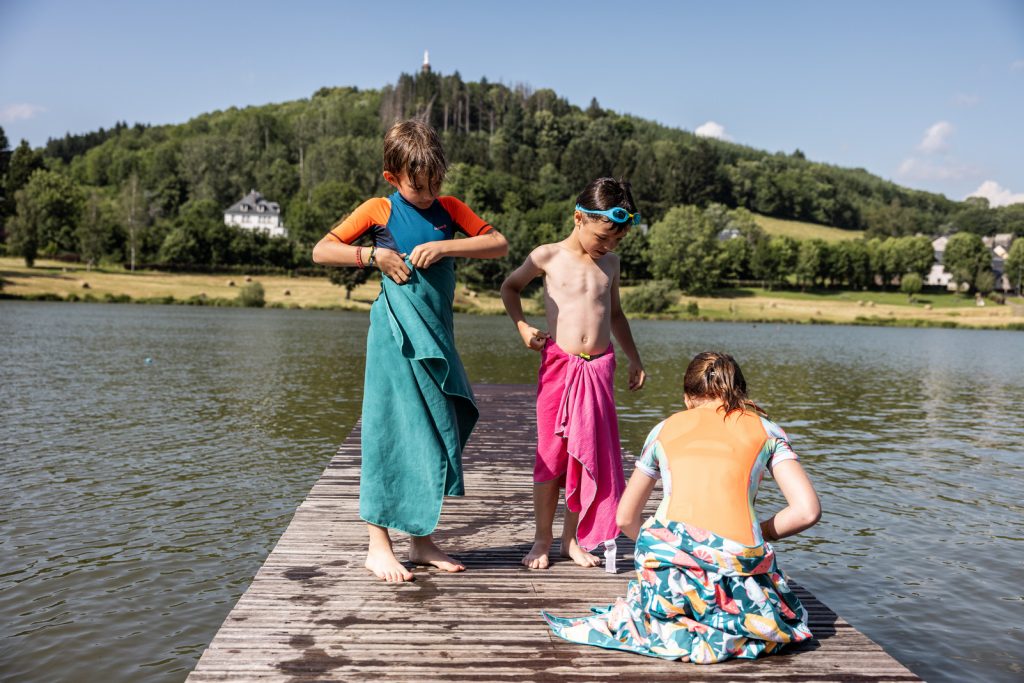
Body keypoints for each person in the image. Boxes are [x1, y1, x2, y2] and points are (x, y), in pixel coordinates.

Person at [312, 119, 508, 583]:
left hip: (437, 334)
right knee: (387, 431)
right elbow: (323, 250)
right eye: (417, 185)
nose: (427, 192)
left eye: (434, 182)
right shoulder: (378, 209)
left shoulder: (450, 209)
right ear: (392, 178)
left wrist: (445, 246)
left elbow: (498, 244)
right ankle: (377, 545)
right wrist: (372, 256)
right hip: (393, 336)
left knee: (440, 427)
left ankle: (420, 539)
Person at [543, 351, 821, 663]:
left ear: (687, 398)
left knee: (657, 534)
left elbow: (625, 518)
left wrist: (671, 552)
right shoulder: (768, 431)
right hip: (737, 585)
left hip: (669, 587)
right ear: (740, 393)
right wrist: (763, 531)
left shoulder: (664, 429)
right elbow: (806, 511)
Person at [500, 177, 646, 571]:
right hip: (560, 368)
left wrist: (634, 357)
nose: (608, 246)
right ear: (579, 218)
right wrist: (522, 327)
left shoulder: (611, 264)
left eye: (615, 241)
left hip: (598, 371)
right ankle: (542, 539)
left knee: (588, 456)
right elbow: (510, 288)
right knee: (552, 455)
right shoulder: (547, 256)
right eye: (603, 237)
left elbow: (614, 314)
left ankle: (572, 540)